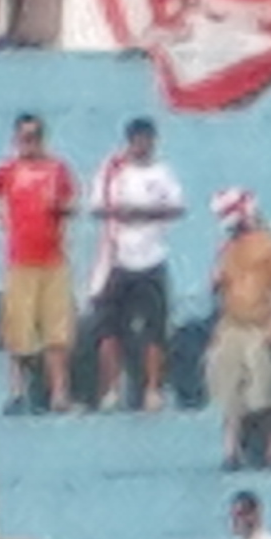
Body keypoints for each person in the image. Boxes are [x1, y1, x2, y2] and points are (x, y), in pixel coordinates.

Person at [0, 112, 78, 414]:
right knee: (17, 331)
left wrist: (62, 211)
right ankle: (18, 391)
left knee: (57, 333)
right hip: (20, 260)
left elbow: (72, 202)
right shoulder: (7, 170)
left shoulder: (57, 169)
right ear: (16, 139)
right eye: (24, 137)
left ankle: (59, 393)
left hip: (53, 261)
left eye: (34, 137)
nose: (29, 143)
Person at [87, 116, 185, 414]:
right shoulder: (113, 171)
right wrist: (121, 213)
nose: (142, 146)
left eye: (147, 140)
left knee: (154, 329)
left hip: (152, 259)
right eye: (137, 140)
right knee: (108, 328)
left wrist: (145, 213)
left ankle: (153, 389)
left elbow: (176, 207)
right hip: (117, 260)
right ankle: (112, 389)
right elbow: (97, 208)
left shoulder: (163, 173)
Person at [205, 188, 271, 466]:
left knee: (263, 391)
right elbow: (219, 287)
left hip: (259, 326)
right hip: (231, 325)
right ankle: (231, 449)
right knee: (230, 390)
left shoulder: (270, 245)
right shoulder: (227, 248)